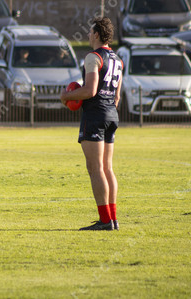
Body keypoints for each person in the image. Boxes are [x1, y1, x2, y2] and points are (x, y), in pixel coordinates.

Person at [60, 17, 123, 231]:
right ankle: (112, 219)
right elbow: (117, 96)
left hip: (95, 116)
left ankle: (105, 221)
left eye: (90, 32)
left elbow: (90, 90)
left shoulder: (93, 57)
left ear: (96, 34)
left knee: (95, 169)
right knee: (107, 168)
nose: (87, 35)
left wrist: (66, 96)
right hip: (111, 114)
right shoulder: (118, 60)